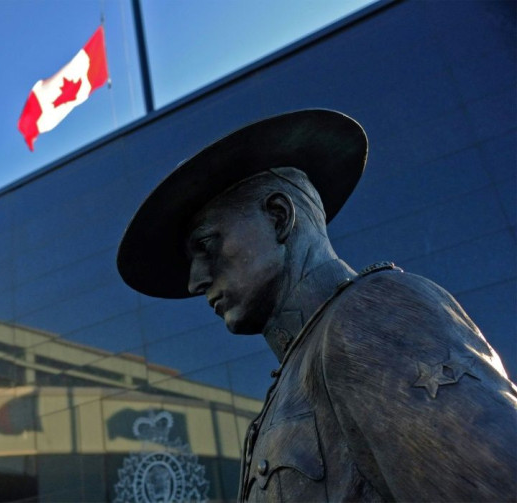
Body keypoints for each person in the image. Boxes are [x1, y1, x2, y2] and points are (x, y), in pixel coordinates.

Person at [117, 109, 517, 502]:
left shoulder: (368, 315)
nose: (195, 281)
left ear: (278, 217)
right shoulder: (298, 374)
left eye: (206, 246)